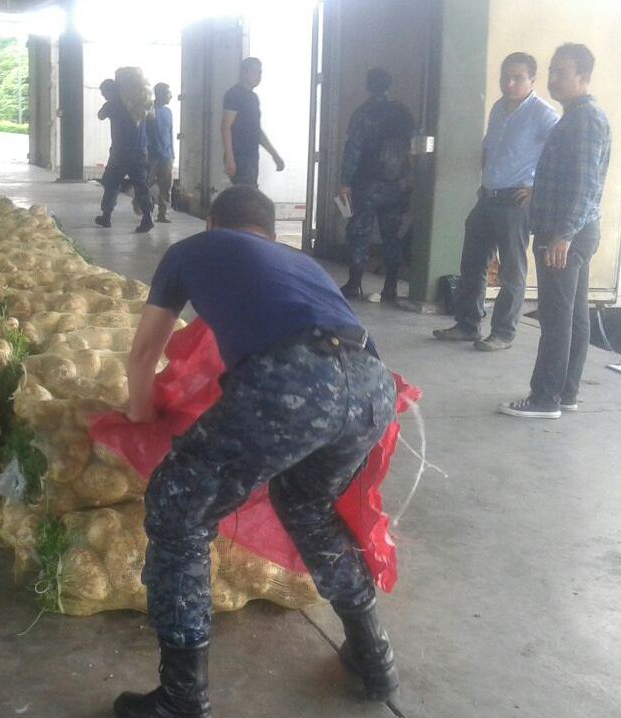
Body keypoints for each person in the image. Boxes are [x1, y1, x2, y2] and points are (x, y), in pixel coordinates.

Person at [114, 185, 398, 717]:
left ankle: (181, 698)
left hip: (294, 380)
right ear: (268, 232)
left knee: (179, 513)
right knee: (309, 506)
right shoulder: (299, 262)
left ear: (210, 224)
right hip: (372, 387)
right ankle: (373, 655)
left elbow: (143, 358)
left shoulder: (192, 251)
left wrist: (140, 419)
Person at [499, 44, 611, 419]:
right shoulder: (577, 117)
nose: (553, 79)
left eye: (561, 71)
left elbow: (586, 185)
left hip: (566, 234)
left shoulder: (586, 120)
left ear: (583, 76)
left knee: (556, 317)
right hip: (570, 231)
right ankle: (565, 393)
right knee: (573, 316)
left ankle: (544, 397)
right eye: (552, 70)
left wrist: (563, 234)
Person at [433, 54, 559, 349]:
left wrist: (537, 190)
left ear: (532, 80)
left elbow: (560, 156)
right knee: (473, 263)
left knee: (511, 270)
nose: (509, 83)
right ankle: (467, 325)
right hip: (489, 197)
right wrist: (484, 182)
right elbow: (489, 146)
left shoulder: (543, 114)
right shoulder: (499, 108)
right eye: (505, 76)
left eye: (517, 77)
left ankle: (503, 333)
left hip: (516, 201)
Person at [338, 69, 416, 301]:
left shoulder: (364, 113)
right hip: (397, 184)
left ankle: (354, 284)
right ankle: (390, 287)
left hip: (367, 184)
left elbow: (353, 149)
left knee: (359, 233)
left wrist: (345, 182)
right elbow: (412, 144)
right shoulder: (402, 113)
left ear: (368, 86)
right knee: (392, 236)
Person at [95, 78, 155, 233]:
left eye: (104, 93)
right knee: (141, 186)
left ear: (110, 91)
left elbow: (100, 115)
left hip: (120, 153)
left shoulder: (112, 104)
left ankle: (106, 216)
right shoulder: (137, 104)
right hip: (140, 151)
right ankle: (147, 217)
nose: (104, 96)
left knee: (111, 183)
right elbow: (151, 117)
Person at [222, 57, 284, 187]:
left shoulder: (253, 98)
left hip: (251, 156)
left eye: (260, 72)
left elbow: (257, 131)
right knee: (245, 196)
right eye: (254, 71)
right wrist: (230, 158)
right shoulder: (235, 94)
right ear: (244, 72)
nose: (258, 76)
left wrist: (274, 154)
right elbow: (225, 127)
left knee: (247, 195)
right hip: (240, 156)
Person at [146, 83, 175, 223]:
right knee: (146, 184)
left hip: (166, 155)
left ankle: (163, 214)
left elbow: (169, 133)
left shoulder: (168, 112)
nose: (171, 96)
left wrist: (172, 153)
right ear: (160, 94)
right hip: (152, 155)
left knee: (166, 186)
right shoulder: (150, 110)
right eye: (168, 93)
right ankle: (146, 209)